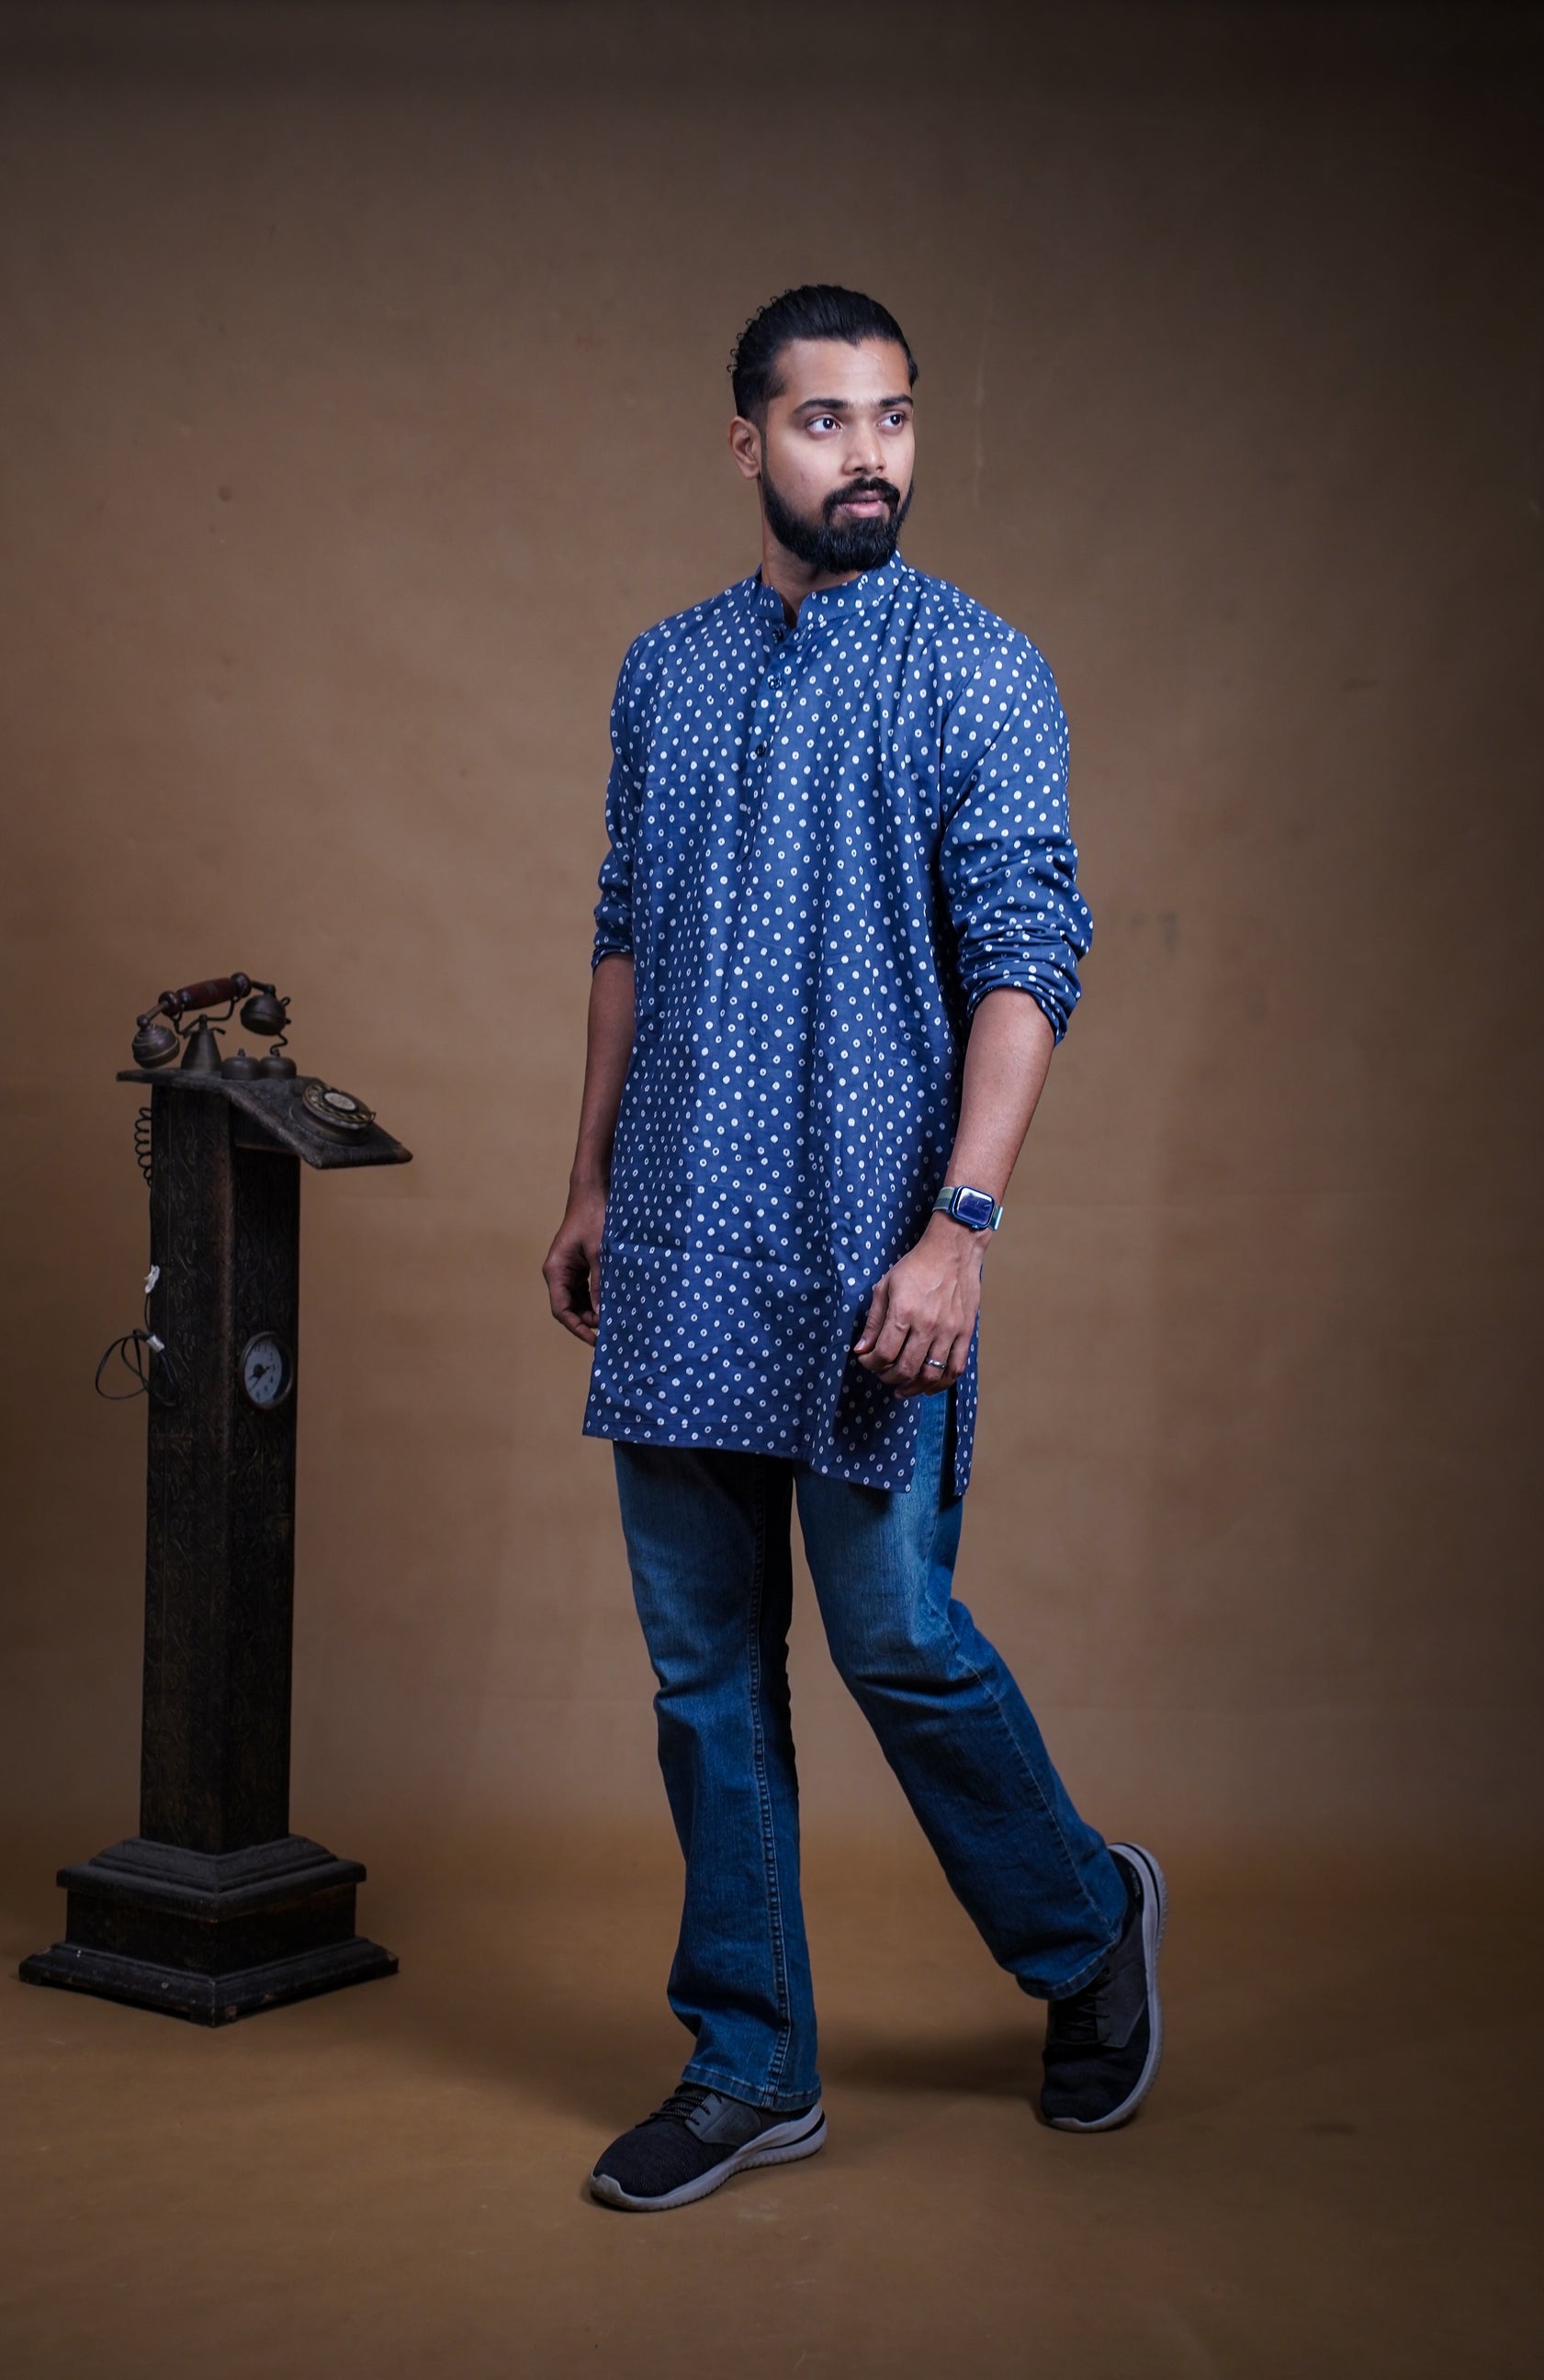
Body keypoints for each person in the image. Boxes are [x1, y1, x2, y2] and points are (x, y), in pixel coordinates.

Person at [543, 285, 1163, 2215]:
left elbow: (1029, 961)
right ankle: (748, 2064)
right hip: (677, 1245)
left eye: (891, 416)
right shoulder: (666, 670)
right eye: (824, 421)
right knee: (700, 1677)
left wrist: (959, 1229)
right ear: (747, 442)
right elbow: (624, 932)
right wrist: (586, 1182)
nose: (867, 454)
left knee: (894, 1640)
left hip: (871, 1251)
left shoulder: (978, 668)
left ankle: (1084, 1928)